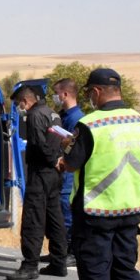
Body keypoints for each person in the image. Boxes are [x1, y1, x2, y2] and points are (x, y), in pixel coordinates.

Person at [59, 68, 140, 280]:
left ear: (96, 92)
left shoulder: (91, 125)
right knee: (126, 268)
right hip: (131, 208)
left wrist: (65, 152)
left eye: (90, 92)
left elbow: (72, 164)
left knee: (96, 270)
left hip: (96, 210)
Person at [6, 86, 68, 280]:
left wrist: (51, 159)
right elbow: (61, 140)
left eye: (18, 104)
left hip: (41, 172)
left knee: (33, 218)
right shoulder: (52, 113)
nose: (18, 108)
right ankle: (59, 262)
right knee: (54, 216)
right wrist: (58, 159)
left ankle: (30, 265)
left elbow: (39, 145)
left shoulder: (34, 116)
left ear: (25, 101)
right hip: (54, 173)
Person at [53, 77, 85, 266]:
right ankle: (59, 251)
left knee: (67, 214)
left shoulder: (76, 118)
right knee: (58, 214)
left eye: (57, 94)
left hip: (69, 175)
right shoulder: (62, 116)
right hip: (60, 173)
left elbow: (75, 148)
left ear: (65, 94)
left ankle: (71, 252)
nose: (55, 97)